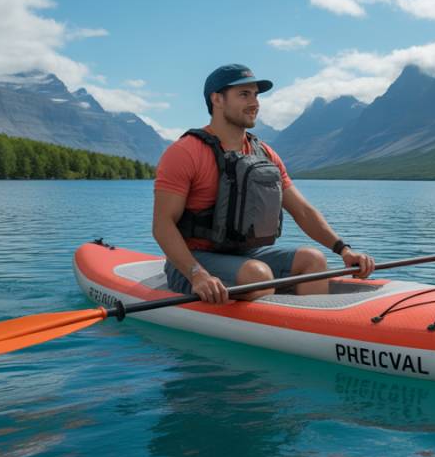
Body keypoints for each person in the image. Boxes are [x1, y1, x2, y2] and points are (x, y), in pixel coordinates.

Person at [153, 63, 375, 304]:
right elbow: (162, 225)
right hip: (192, 262)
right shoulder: (185, 152)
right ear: (217, 99)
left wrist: (343, 249)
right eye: (244, 94)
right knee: (257, 275)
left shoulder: (265, 154)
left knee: (314, 260)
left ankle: (310, 323)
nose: (254, 103)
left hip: (244, 254)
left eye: (256, 95)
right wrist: (197, 274)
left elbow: (302, 211)